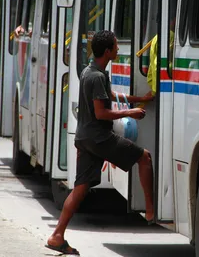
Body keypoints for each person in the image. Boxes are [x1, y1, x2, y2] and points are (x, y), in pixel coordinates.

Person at [46, 30, 155, 255]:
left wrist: (139, 100)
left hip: (84, 138)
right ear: (107, 52)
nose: (118, 49)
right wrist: (130, 112)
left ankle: (57, 235)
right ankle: (151, 210)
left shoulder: (93, 72)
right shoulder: (96, 76)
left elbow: (109, 95)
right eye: (116, 46)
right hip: (98, 138)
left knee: (79, 189)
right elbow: (101, 113)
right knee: (144, 157)